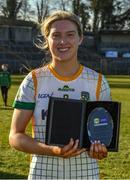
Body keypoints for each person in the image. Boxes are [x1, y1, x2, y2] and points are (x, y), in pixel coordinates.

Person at [9, 10, 111, 180]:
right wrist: (52, 151)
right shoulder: (34, 80)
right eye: (56, 35)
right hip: (42, 174)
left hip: (85, 175)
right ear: (47, 40)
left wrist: (100, 150)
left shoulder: (98, 82)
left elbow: (103, 137)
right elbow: (15, 136)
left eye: (70, 35)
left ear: (80, 38)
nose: (63, 41)